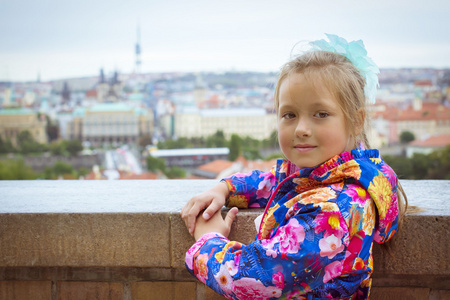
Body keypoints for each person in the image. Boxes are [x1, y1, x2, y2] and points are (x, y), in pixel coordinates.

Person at [181, 34, 407, 299]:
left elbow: (254, 278)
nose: (301, 129)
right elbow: (278, 182)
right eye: (289, 115)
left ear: (356, 121)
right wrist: (226, 188)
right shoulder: (348, 174)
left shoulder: (333, 213)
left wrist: (208, 241)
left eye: (320, 114)